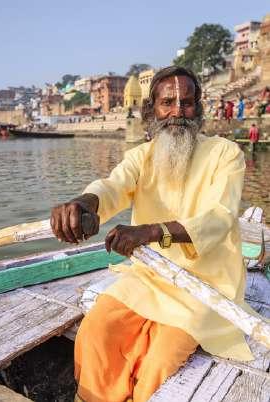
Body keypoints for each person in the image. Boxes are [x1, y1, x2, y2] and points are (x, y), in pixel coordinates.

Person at [51, 66, 255, 402]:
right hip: (148, 277)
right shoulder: (140, 157)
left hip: (203, 285)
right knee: (94, 335)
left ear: (199, 109)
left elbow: (219, 217)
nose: (177, 112)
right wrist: (81, 204)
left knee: (156, 366)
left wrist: (151, 232)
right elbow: (112, 187)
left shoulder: (225, 154)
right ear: (152, 110)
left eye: (187, 103)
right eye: (168, 103)